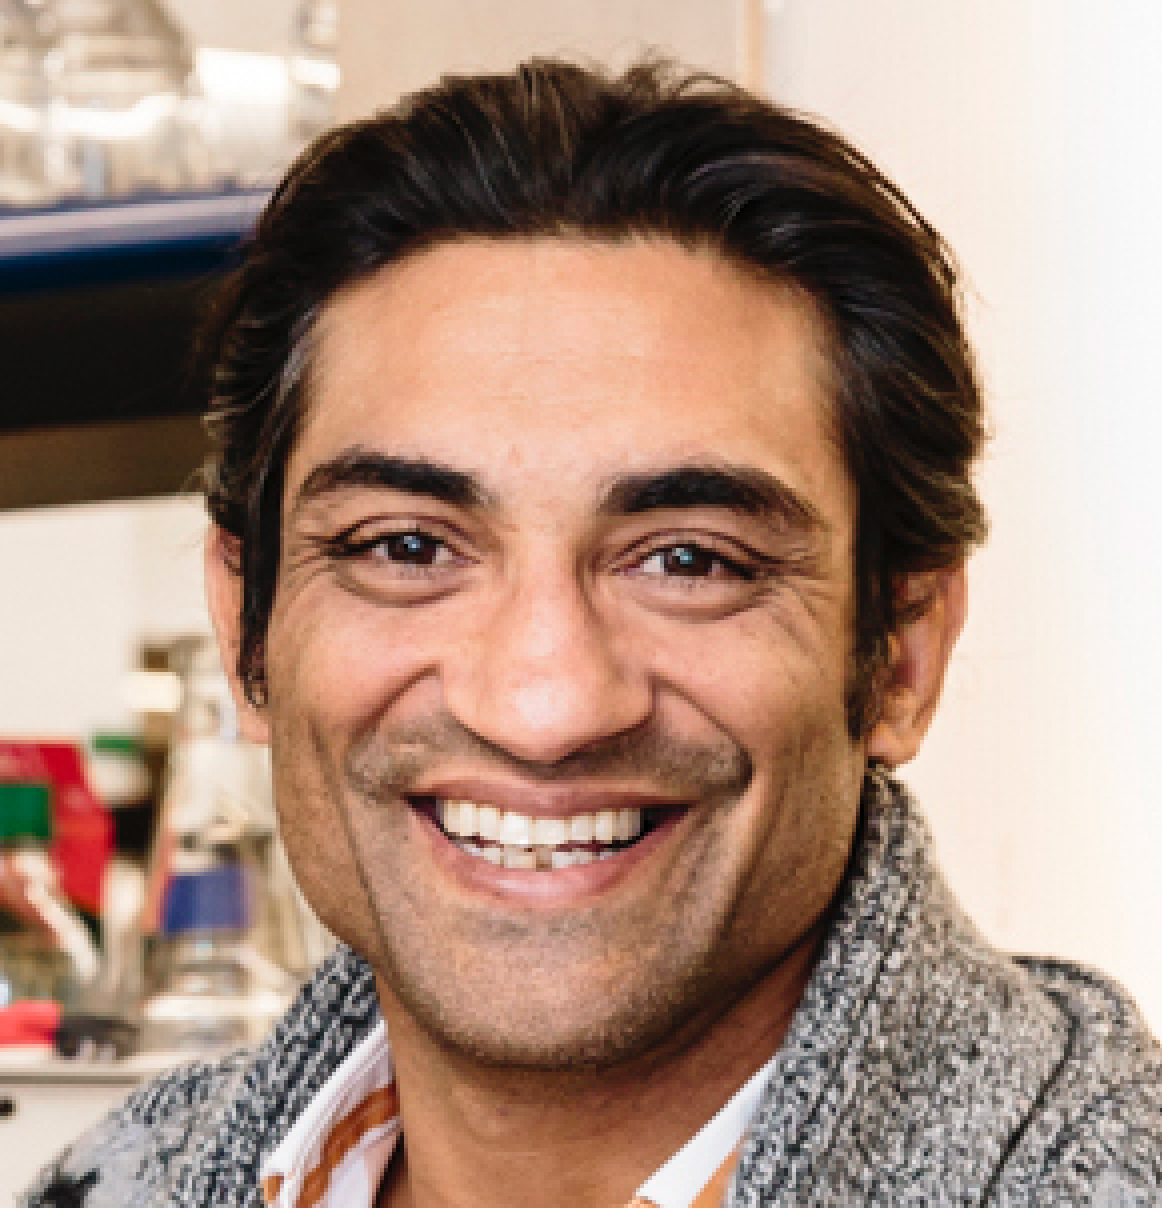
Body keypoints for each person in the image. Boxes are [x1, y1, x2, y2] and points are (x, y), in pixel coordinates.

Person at [23, 58, 1162, 1207]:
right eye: (407, 547)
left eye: (688, 560)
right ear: (246, 627)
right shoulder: (109, 1182)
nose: (543, 704)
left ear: (902, 653)